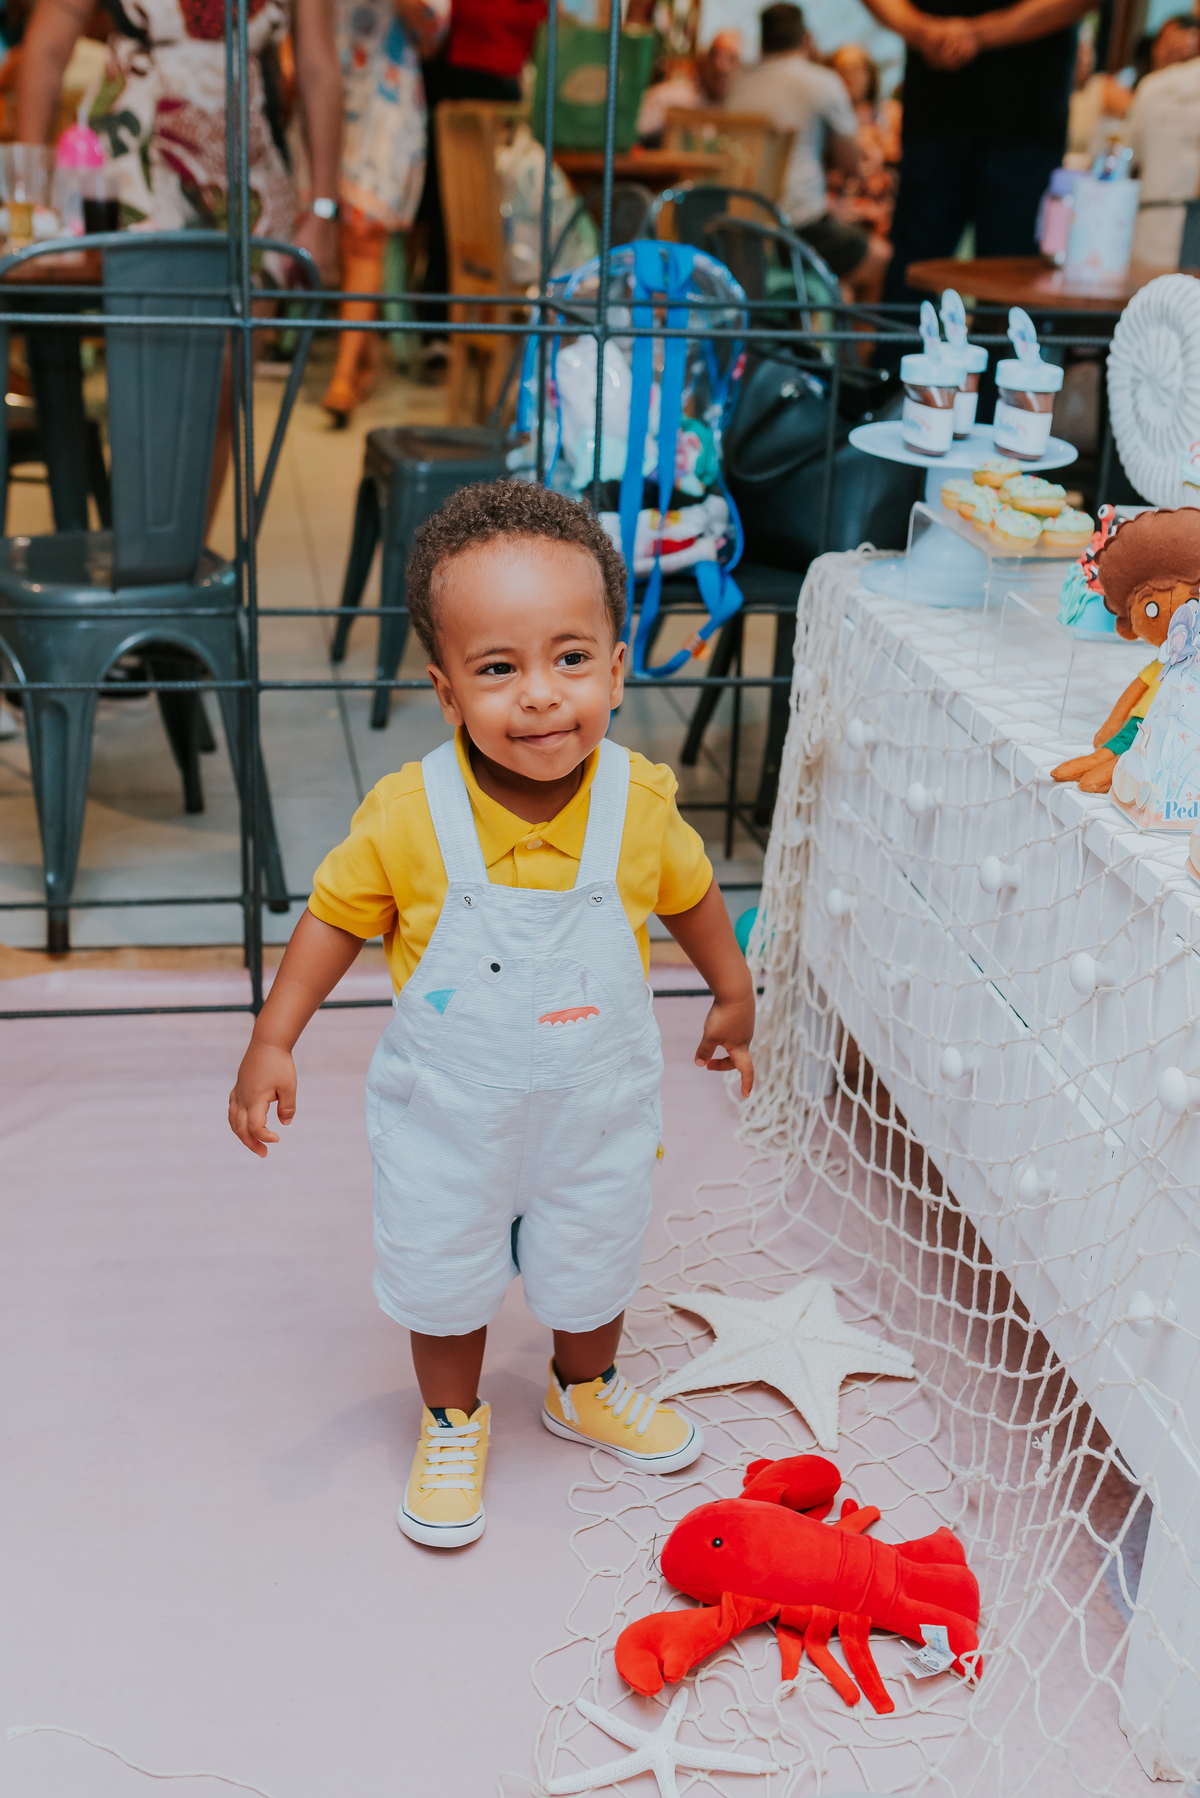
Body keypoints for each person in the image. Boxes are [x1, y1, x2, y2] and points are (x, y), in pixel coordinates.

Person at [228, 481, 756, 1549]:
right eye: (498, 669)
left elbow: (695, 897)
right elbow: (332, 921)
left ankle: (583, 1386)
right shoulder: (408, 815)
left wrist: (733, 992)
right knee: (443, 1276)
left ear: (618, 666)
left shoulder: (640, 805)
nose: (541, 697)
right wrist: (273, 1036)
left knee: (594, 1258)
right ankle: (451, 1418)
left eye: (571, 658)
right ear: (446, 688)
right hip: (450, 1119)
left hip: (591, 1113)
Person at [17, 0, 342, 520]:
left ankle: (181, 553)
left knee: (223, 386)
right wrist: (30, 187)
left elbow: (319, 67)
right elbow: (47, 46)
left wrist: (323, 207)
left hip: (248, 171)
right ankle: (135, 548)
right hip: (136, 166)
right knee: (148, 388)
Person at [860, 0, 1095, 305]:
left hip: (1025, 116)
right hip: (934, 109)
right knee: (910, 279)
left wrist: (976, 34)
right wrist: (921, 31)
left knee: (1007, 287)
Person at [321, 0, 444, 427]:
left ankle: (342, 376)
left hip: (386, 106)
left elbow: (431, 38)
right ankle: (362, 359)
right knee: (344, 236)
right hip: (328, 92)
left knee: (364, 235)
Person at [415, 0, 546, 374]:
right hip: (460, 92)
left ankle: (486, 329)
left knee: (502, 213)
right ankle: (439, 328)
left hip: (507, 98)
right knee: (452, 214)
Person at [729, 3, 891, 305]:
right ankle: (855, 337)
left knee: (840, 284)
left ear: (763, 40)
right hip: (795, 228)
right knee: (881, 259)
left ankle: (816, 319)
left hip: (738, 228)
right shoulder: (821, 82)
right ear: (805, 39)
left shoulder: (738, 85)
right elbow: (852, 165)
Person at [1127, 22, 1200, 267]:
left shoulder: (1154, 87)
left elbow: (1129, 160)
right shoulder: (1154, 87)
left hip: (1152, 244)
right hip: (1158, 241)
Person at [825, 43, 900, 240]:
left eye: (856, 69)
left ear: (869, 74)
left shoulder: (889, 113)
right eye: (842, 70)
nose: (849, 76)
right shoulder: (826, 119)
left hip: (882, 205)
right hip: (840, 206)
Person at [635, 28, 743, 144]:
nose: (721, 66)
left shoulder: (736, 110)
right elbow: (631, 136)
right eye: (715, 54)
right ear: (704, 58)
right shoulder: (668, 98)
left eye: (732, 58)